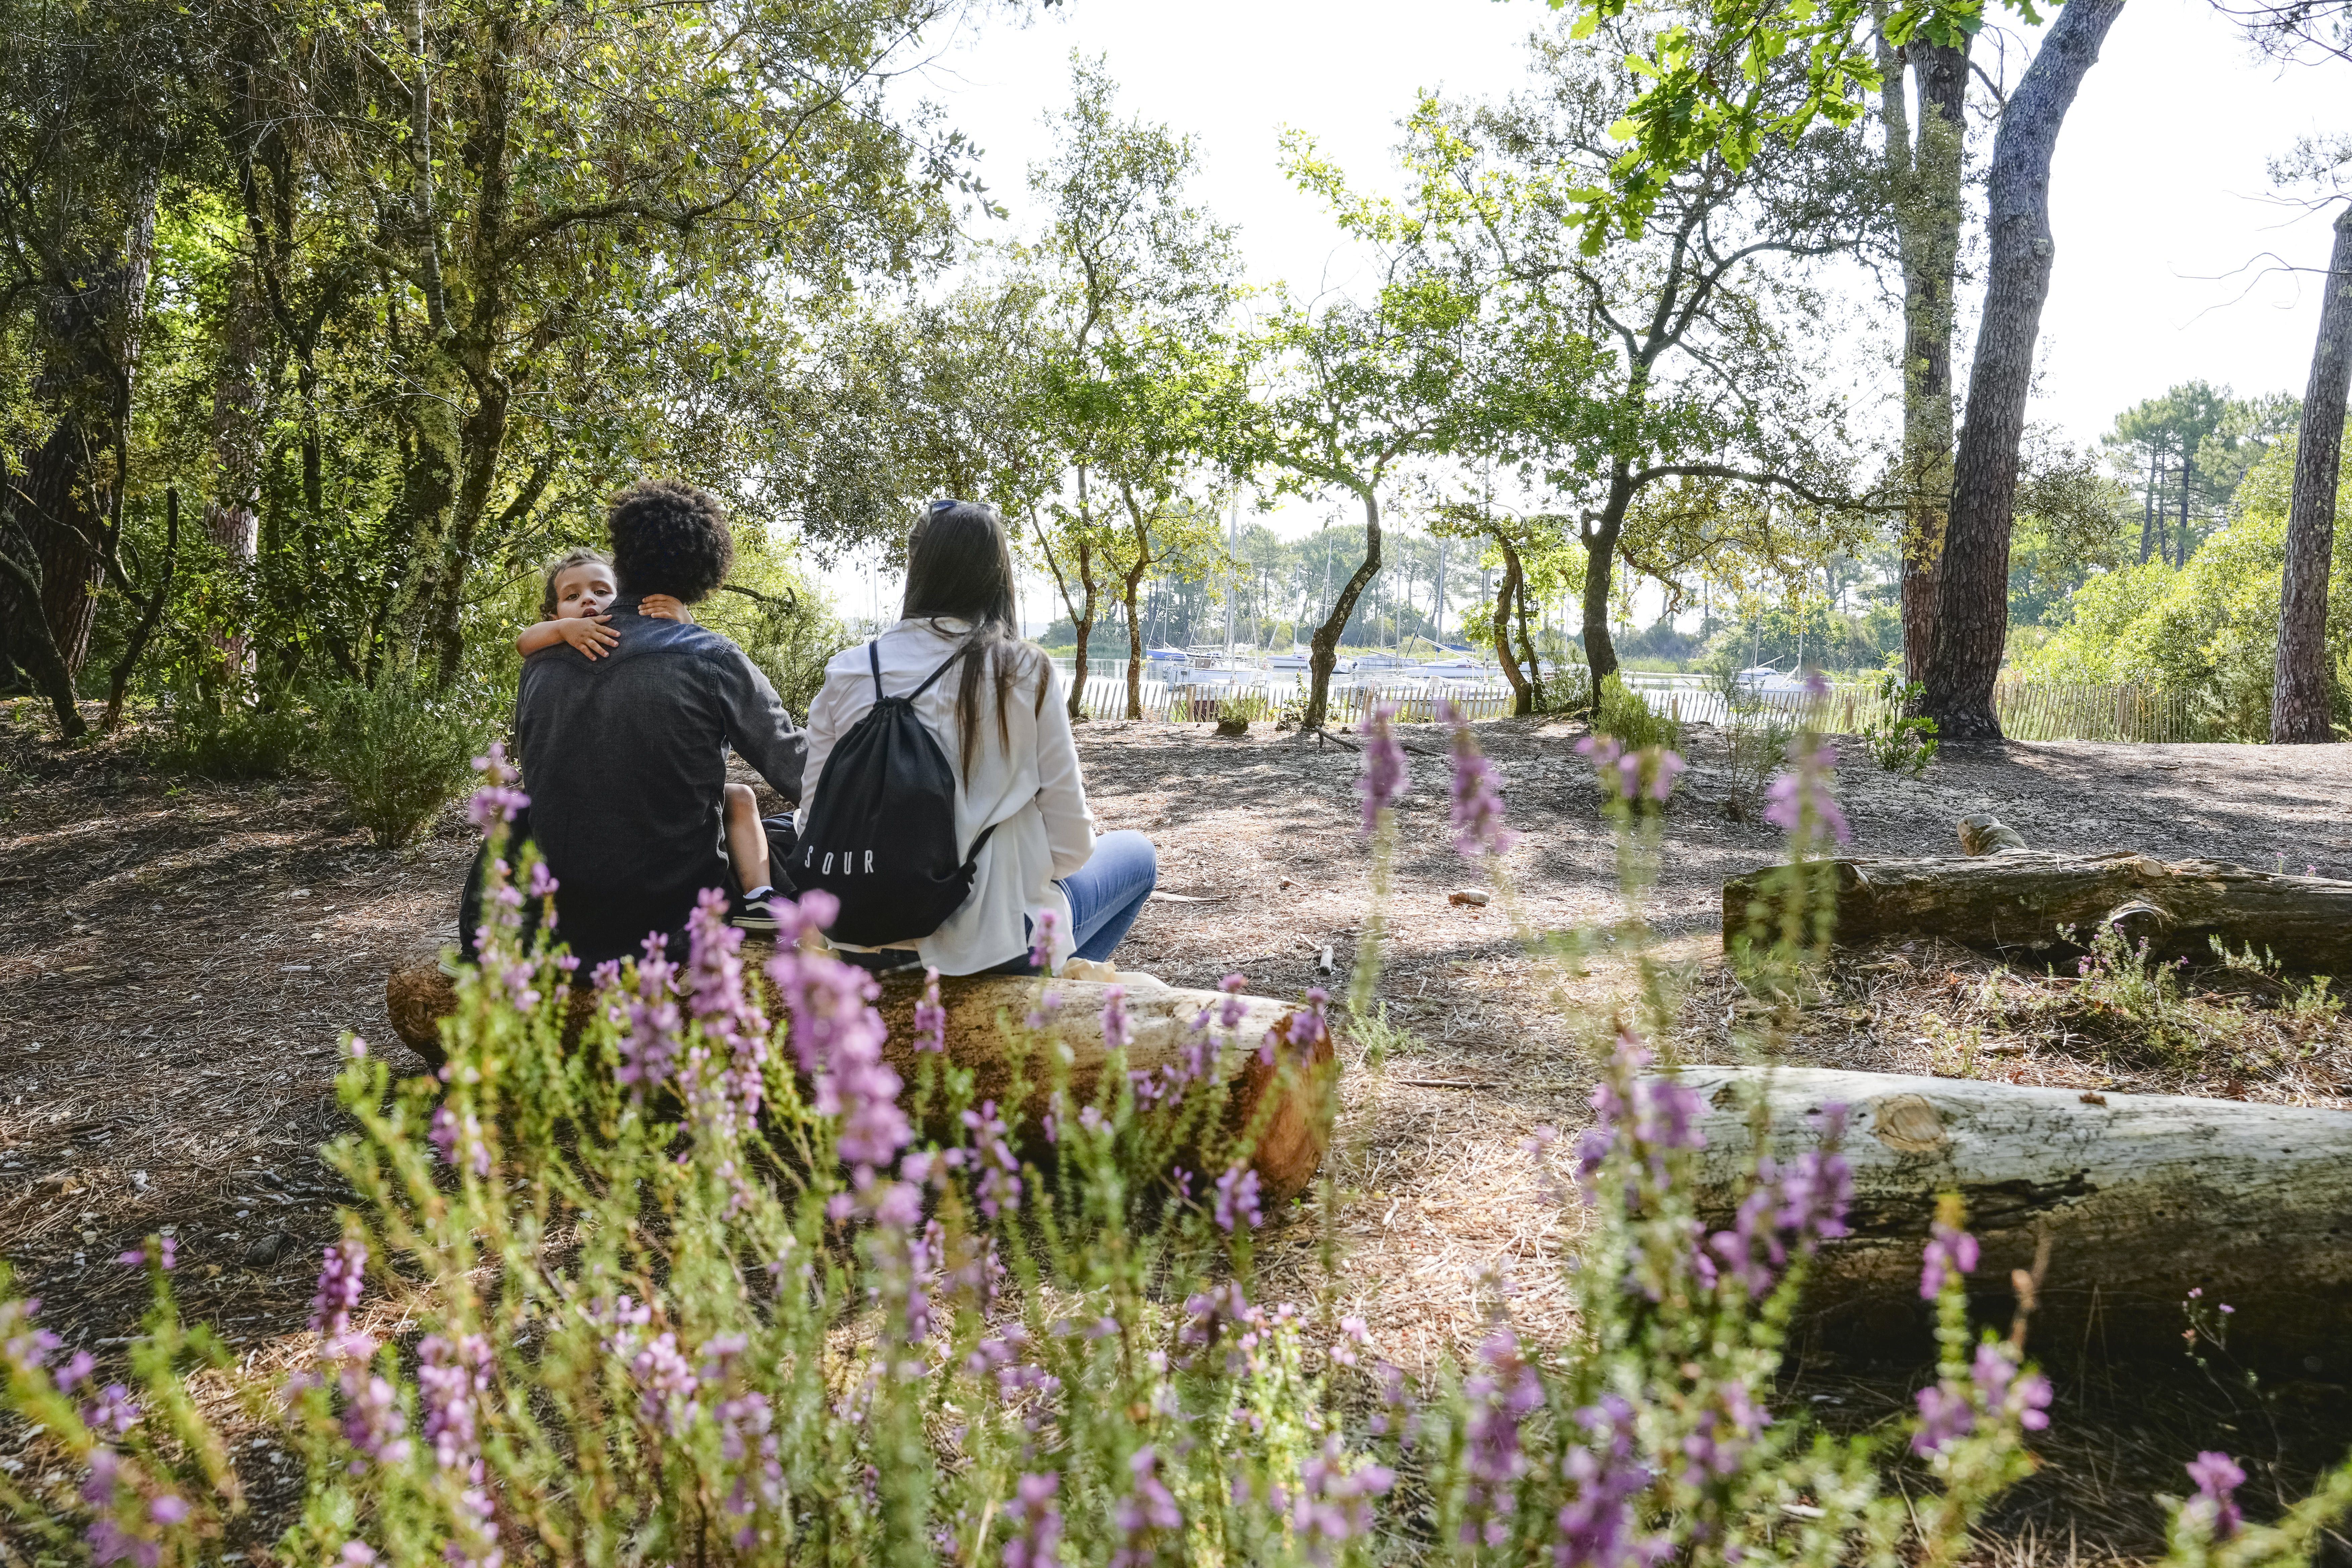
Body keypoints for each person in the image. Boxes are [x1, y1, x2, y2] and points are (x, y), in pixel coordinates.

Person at [798, 498, 1155, 975]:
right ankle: (1051, 1000)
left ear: (916, 569)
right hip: (996, 946)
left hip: (862, 936)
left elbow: (810, 822)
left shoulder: (849, 669)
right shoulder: (1023, 669)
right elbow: (1072, 846)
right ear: (997, 573)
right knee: (1139, 856)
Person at [512, 481, 804, 964]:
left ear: (622, 558)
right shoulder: (710, 655)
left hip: (568, 921)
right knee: (784, 838)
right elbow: (797, 767)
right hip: (677, 925)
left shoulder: (540, 665)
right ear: (700, 577)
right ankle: (763, 901)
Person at [515, 546, 775, 908]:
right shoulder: (553, 649)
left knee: (741, 797)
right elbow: (523, 641)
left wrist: (684, 623)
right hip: (618, 816)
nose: (588, 600)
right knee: (737, 797)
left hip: (611, 813)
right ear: (554, 611)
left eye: (602, 591)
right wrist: (563, 630)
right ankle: (757, 894)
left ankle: (760, 895)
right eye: (572, 597)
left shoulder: (545, 669)